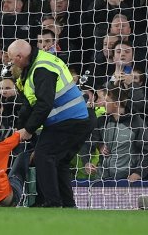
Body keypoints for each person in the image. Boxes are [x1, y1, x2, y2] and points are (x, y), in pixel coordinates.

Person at [7, 39, 92, 207]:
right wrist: (20, 129)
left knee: (44, 156)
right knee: (59, 161)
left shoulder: (41, 69)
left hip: (68, 119)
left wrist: (29, 130)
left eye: (11, 58)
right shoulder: (36, 65)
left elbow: (44, 104)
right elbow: (28, 105)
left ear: (20, 56)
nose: (10, 62)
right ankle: (68, 204)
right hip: (76, 118)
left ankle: (51, 203)